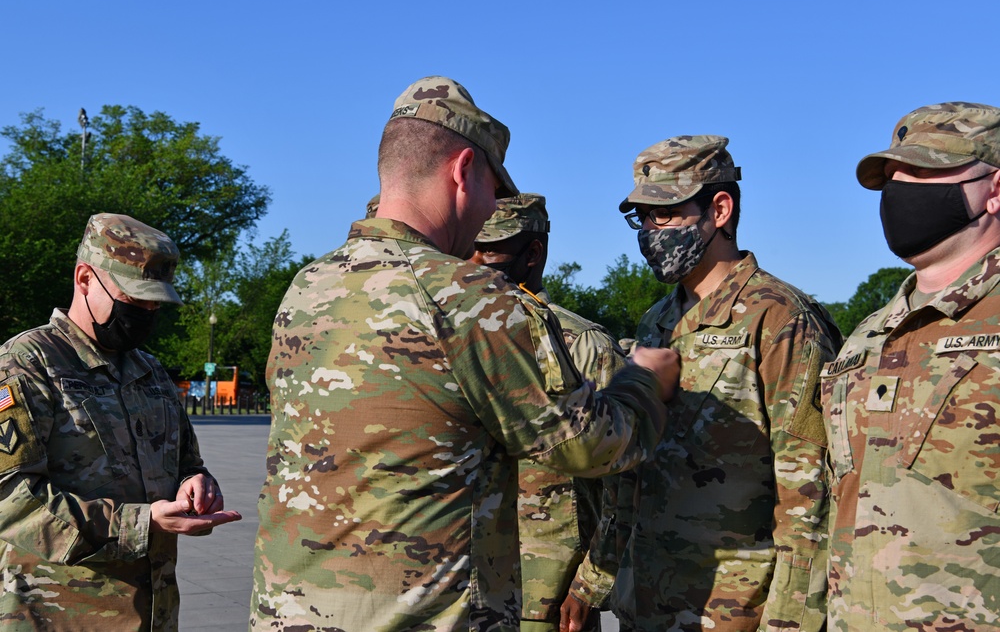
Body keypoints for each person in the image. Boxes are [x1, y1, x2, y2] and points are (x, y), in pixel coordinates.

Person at [249, 76, 680, 632]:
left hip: (293, 613)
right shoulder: (465, 296)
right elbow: (584, 449)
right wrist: (642, 381)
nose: (485, 216)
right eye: (491, 195)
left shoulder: (307, 287)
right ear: (463, 170)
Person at [564, 135, 841, 632]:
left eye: (665, 214)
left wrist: (792, 622)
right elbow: (628, 477)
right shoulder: (657, 322)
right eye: (642, 218)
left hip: (733, 611)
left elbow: (809, 496)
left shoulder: (779, 319)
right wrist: (591, 582)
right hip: (644, 604)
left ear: (719, 208)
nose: (651, 230)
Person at [0, 213, 241, 630]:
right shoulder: (25, 364)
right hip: (60, 615)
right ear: (85, 278)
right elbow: (11, 502)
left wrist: (196, 484)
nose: (147, 311)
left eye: (155, 302)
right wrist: (143, 523)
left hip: (153, 611)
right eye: (134, 299)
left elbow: (188, 461)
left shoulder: (149, 370)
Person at [824, 102, 1000, 631]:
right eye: (894, 176)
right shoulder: (867, 334)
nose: (901, 187)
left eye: (925, 171)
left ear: (994, 189)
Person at [470, 193, 628, 632]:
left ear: (533, 254)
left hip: (545, 599)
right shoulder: (456, 337)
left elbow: (626, 482)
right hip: (459, 590)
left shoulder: (582, 345)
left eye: (489, 249)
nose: (473, 261)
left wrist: (589, 585)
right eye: (469, 248)